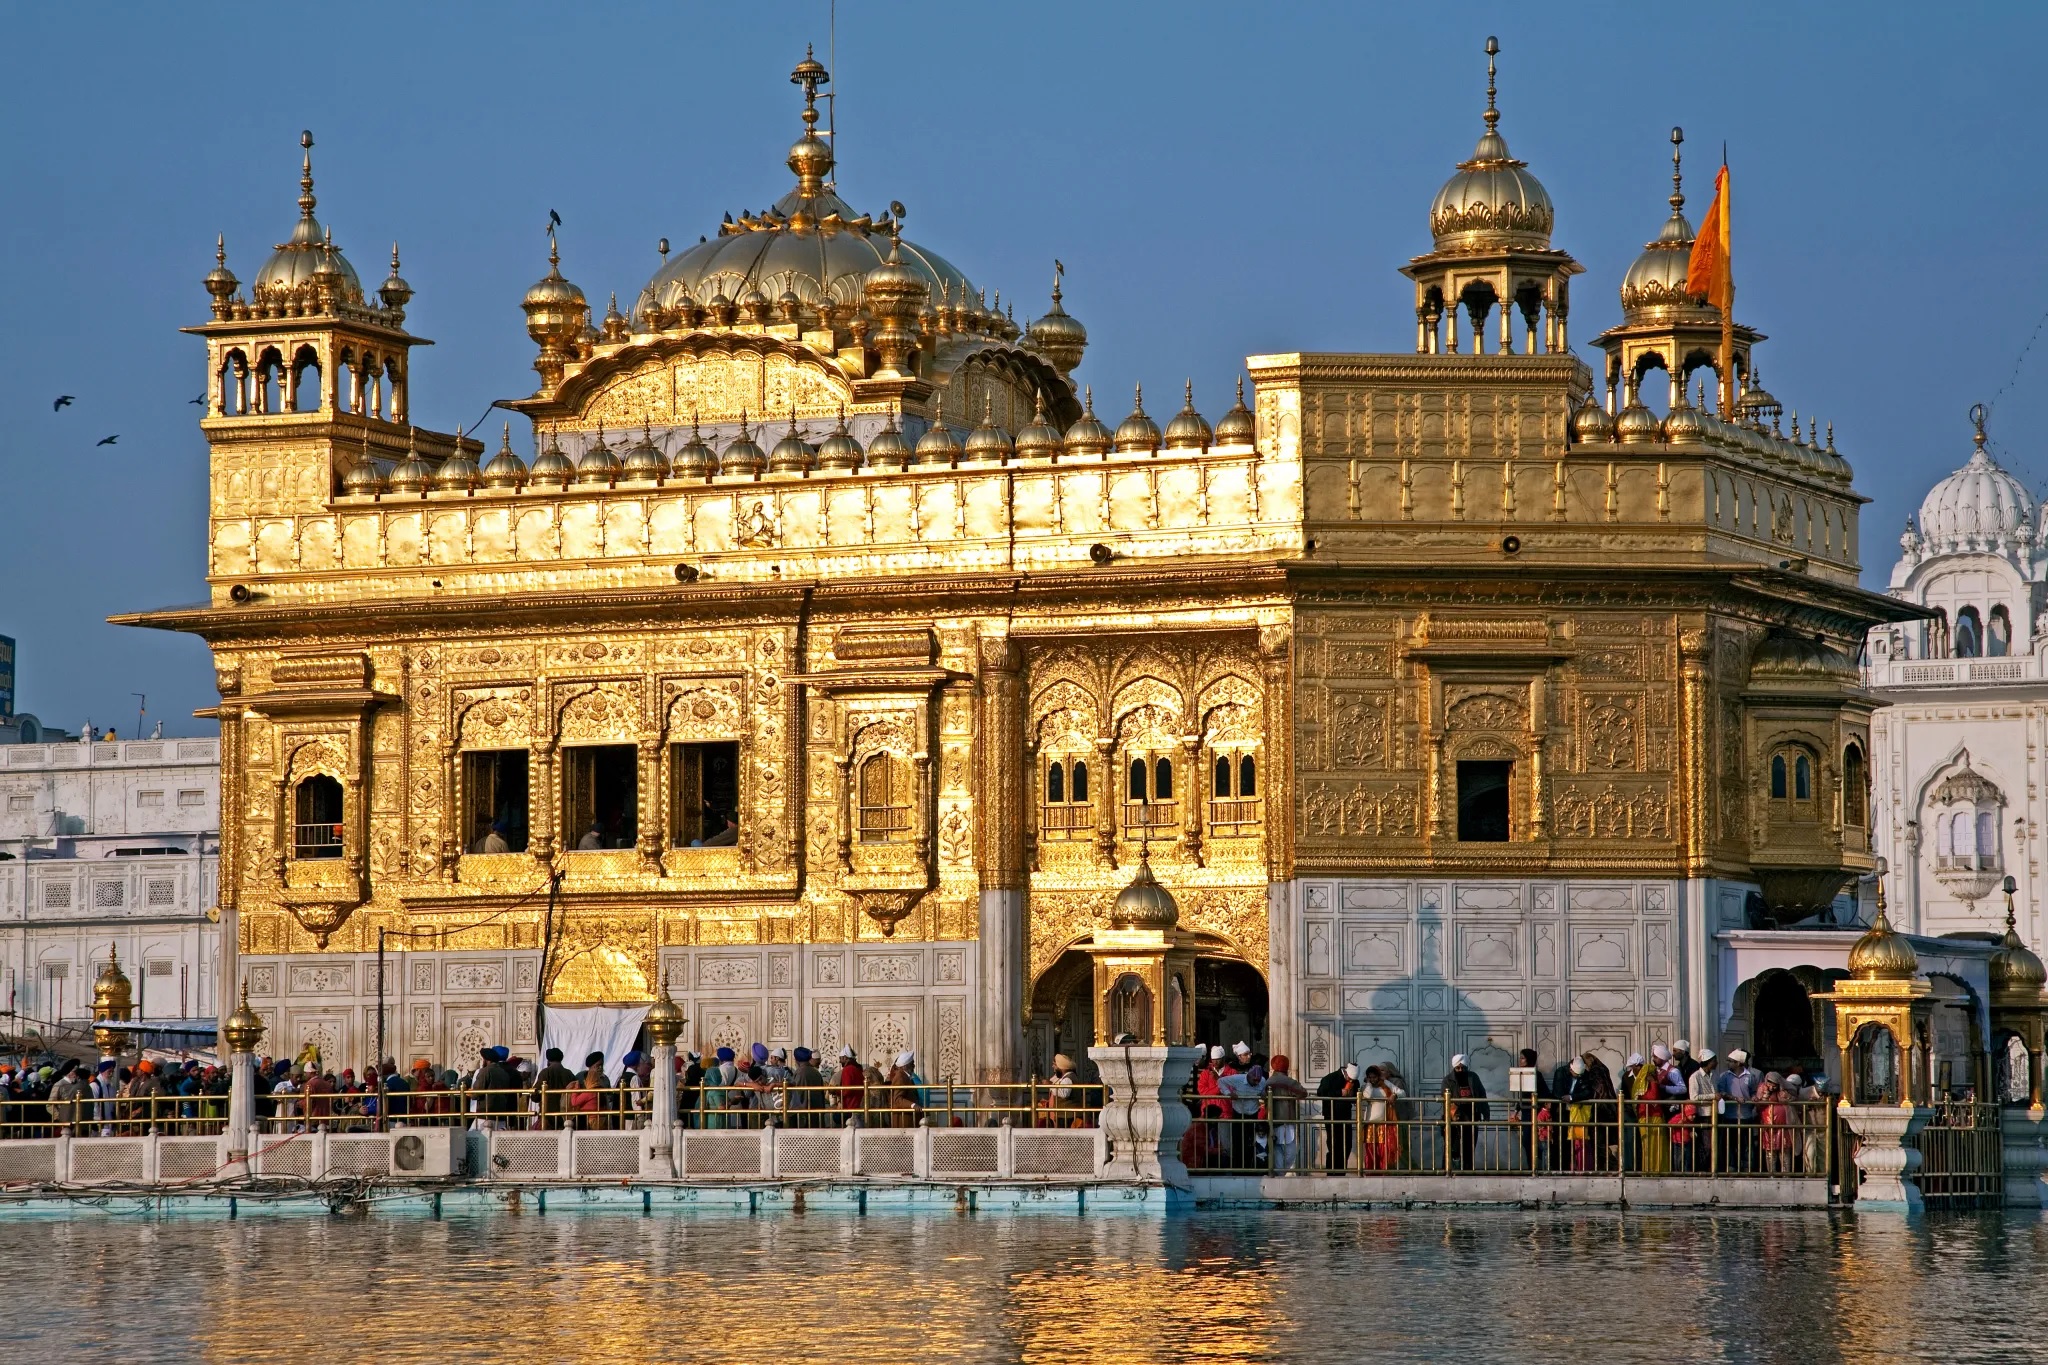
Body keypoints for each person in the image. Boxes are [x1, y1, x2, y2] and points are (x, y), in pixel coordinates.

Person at [1441, 1054, 1489, 1170]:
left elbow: (1481, 1095)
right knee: (1452, 1147)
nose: (1461, 1070)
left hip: (1471, 1116)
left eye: (1463, 1068)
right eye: (1458, 1068)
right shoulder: (1448, 1080)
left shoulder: (1473, 1077)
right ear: (1454, 1068)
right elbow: (1446, 1099)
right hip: (1454, 1119)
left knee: (1469, 1146)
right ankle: (1447, 1170)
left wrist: (1485, 1112)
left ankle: (1467, 1171)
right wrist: (1454, 1114)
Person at [1216, 1061, 1266, 1170]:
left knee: (1250, 1143)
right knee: (1238, 1143)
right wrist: (1228, 1093)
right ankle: (1237, 1169)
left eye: (1258, 1081)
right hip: (1238, 1113)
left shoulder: (1262, 1081)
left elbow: (1263, 1090)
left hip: (1253, 1114)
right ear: (1249, 1076)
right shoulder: (1237, 1079)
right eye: (1254, 1081)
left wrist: (1263, 1094)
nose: (1256, 1083)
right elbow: (1220, 1081)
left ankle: (1249, 1168)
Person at [1264, 1055, 1310, 1174]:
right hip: (1287, 1119)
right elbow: (1303, 1093)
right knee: (1290, 1149)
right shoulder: (1289, 1082)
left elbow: (1261, 1095)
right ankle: (1281, 1173)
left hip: (1272, 1120)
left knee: (1277, 1148)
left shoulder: (1268, 1081)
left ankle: (1279, 1173)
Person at [1512, 1047, 1553, 1171]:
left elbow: (1545, 1093)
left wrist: (1542, 1108)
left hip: (1534, 1112)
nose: (1520, 1060)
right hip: (1525, 1112)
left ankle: (1544, 1163)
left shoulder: (1536, 1075)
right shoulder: (1521, 1074)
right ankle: (1532, 1167)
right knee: (1526, 1142)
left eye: (1523, 1058)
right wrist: (1516, 1111)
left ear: (1528, 1060)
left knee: (1534, 1141)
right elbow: (1523, 1096)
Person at [1317, 1062, 1359, 1172]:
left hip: (1346, 1116)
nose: (1350, 1081)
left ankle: (1341, 1171)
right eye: (1349, 1078)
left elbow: (1356, 1097)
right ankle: (1332, 1172)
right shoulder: (1330, 1078)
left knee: (1347, 1145)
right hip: (1332, 1116)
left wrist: (1353, 1095)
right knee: (1334, 1145)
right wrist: (1339, 1092)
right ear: (1345, 1072)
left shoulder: (1354, 1082)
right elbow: (1321, 1093)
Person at [1360, 1065, 1404, 1170]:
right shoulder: (1366, 1087)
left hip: (1384, 1123)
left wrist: (1394, 1095)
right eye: (1370, 1077)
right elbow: (1367, 1096)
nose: (1373, 1079)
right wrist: (1369, 1084)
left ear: (1378, 1076)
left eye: (1374, 1077)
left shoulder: (1386, 1084)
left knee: (1383, 1150)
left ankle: (1382, 1172)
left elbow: (1402, 1092)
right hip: (1370, 1123)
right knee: (1371, 1150)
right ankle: (1371, 1172)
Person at [1685, 1048, 1721, 1173]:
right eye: (1714, 1061)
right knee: (1706, 1146)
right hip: (1703, 1115)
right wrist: (1712, 1097)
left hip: (1715, 1114)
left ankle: (1713, 1170)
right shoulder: (1695, 1077)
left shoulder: (1714, 1075)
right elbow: (1694, 1098)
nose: (1716, 1063)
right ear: (1708, 1062)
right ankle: (1703, 1171)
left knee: (1715, 1145)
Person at [534, 1047, 577, 1128]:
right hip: (565, 1116)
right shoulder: (568, 1073)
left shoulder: (545, 1072)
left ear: (548, 1060)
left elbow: (535, 1096)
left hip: (547, 1116)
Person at [788, 1048, 825, 1126]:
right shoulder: (816, 1072)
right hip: (816, 1116)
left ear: (796, 1060)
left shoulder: (800, 1073)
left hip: (803, 1117)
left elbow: (797, 1095)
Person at [885, 1050, 920, 1127]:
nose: (913, 1067)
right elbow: (897, 1099)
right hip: (903, 1119)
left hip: (907, 1118)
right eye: (912, 1064)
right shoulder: (900, 1077)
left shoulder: (906, 1076)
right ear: (905, 1066)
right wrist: (912, 1105)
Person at [835, 1046, 865, 1127]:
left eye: (840, 1058)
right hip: (857, 1106)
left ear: (845, 1058)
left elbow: (846, 1090)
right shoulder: (857, 1068)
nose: (840, 1061)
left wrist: (835, 1090)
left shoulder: (848, 1069)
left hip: (850, 1107)